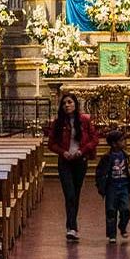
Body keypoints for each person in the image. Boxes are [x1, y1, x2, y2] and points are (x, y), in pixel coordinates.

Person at [47, 92, 97, 240]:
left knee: (76, 193)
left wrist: (82, 151)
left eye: (69, 102)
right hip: (65, 162)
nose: (67, 105)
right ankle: (72, 227)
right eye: (64, 103)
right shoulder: (58, 123)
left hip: (80, 161)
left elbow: (95, 139)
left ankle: (72, 226)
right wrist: (63, 152)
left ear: (75, 104)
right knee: (69, 194)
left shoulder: (84, 120)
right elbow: (51, 144)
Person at [94, 129, 130, 243]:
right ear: (114, 143)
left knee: (125, 209)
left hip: (124, 186)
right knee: (111, 211)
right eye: (122, 141)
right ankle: (111, 234)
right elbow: (100, 172)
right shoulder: (106, 157)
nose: (124, 143)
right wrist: (101, 185)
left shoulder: (125, 155)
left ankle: (122, 226)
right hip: (111, 187)